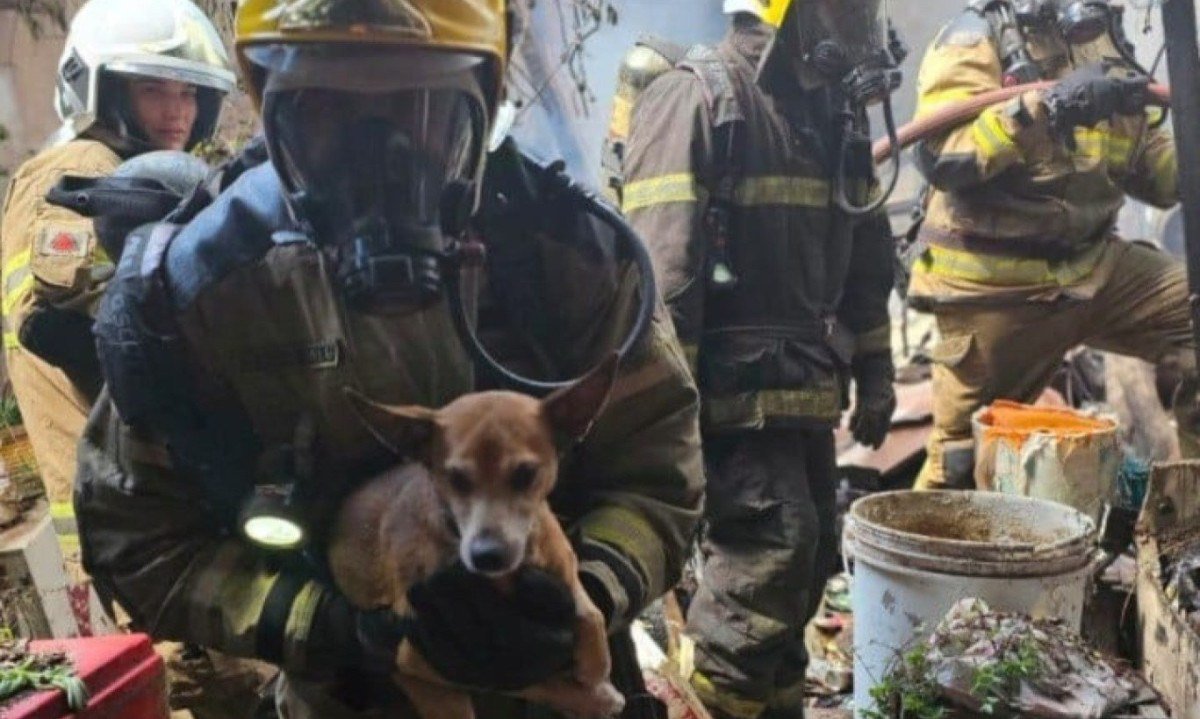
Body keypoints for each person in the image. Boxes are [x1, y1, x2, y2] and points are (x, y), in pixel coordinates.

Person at [75, 1, 704, 717]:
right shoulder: (200, 293)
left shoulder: (570, 256)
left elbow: (659, 477)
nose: (378, 157)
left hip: (563, 682)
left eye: (420, 106)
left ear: (484, 104)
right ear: (271, 118)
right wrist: (340, 626)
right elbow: (142, 539)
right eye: (324, 109)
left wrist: (576, 593)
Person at [620, 1, 900, 716]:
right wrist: (664, 430)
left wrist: (875, 369)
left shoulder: (834, 114)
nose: (860, 24)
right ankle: (714, 702)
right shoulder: (698, 98)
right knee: (770, 557)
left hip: (803, 391)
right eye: (845, 7)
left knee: (802, 571)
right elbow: (666, 281)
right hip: (729, 399)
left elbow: (869, 252)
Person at [908, 0, 1188, 489]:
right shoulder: (976, 37)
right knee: (960, 466)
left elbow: (1153, 169)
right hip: (997, 289)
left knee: (1196, 318)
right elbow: (942, 156)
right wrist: (1049, 108)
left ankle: (1187, 530)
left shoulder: (1100, 36)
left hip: (1093, 270)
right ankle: (897, 564)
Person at [0, 0, 233, 572]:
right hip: (126, 502)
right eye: (154, 90)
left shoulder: (145, 175)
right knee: (200, 659)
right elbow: (59, 318)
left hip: (144, 487)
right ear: (100, 91)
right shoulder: (81, 168)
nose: (179, 111)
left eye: (189, 93)